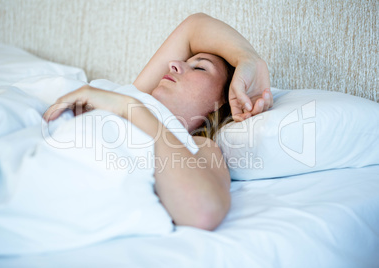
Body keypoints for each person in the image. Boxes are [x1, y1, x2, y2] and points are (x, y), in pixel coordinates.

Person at [43, 13, 273, 231]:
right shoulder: (135, 93)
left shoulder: (196, 146)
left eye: (200, 67)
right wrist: (249, 58)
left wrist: (128, 109)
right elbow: (193, 26)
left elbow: (204, 211)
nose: (174, 63)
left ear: (221, 103)